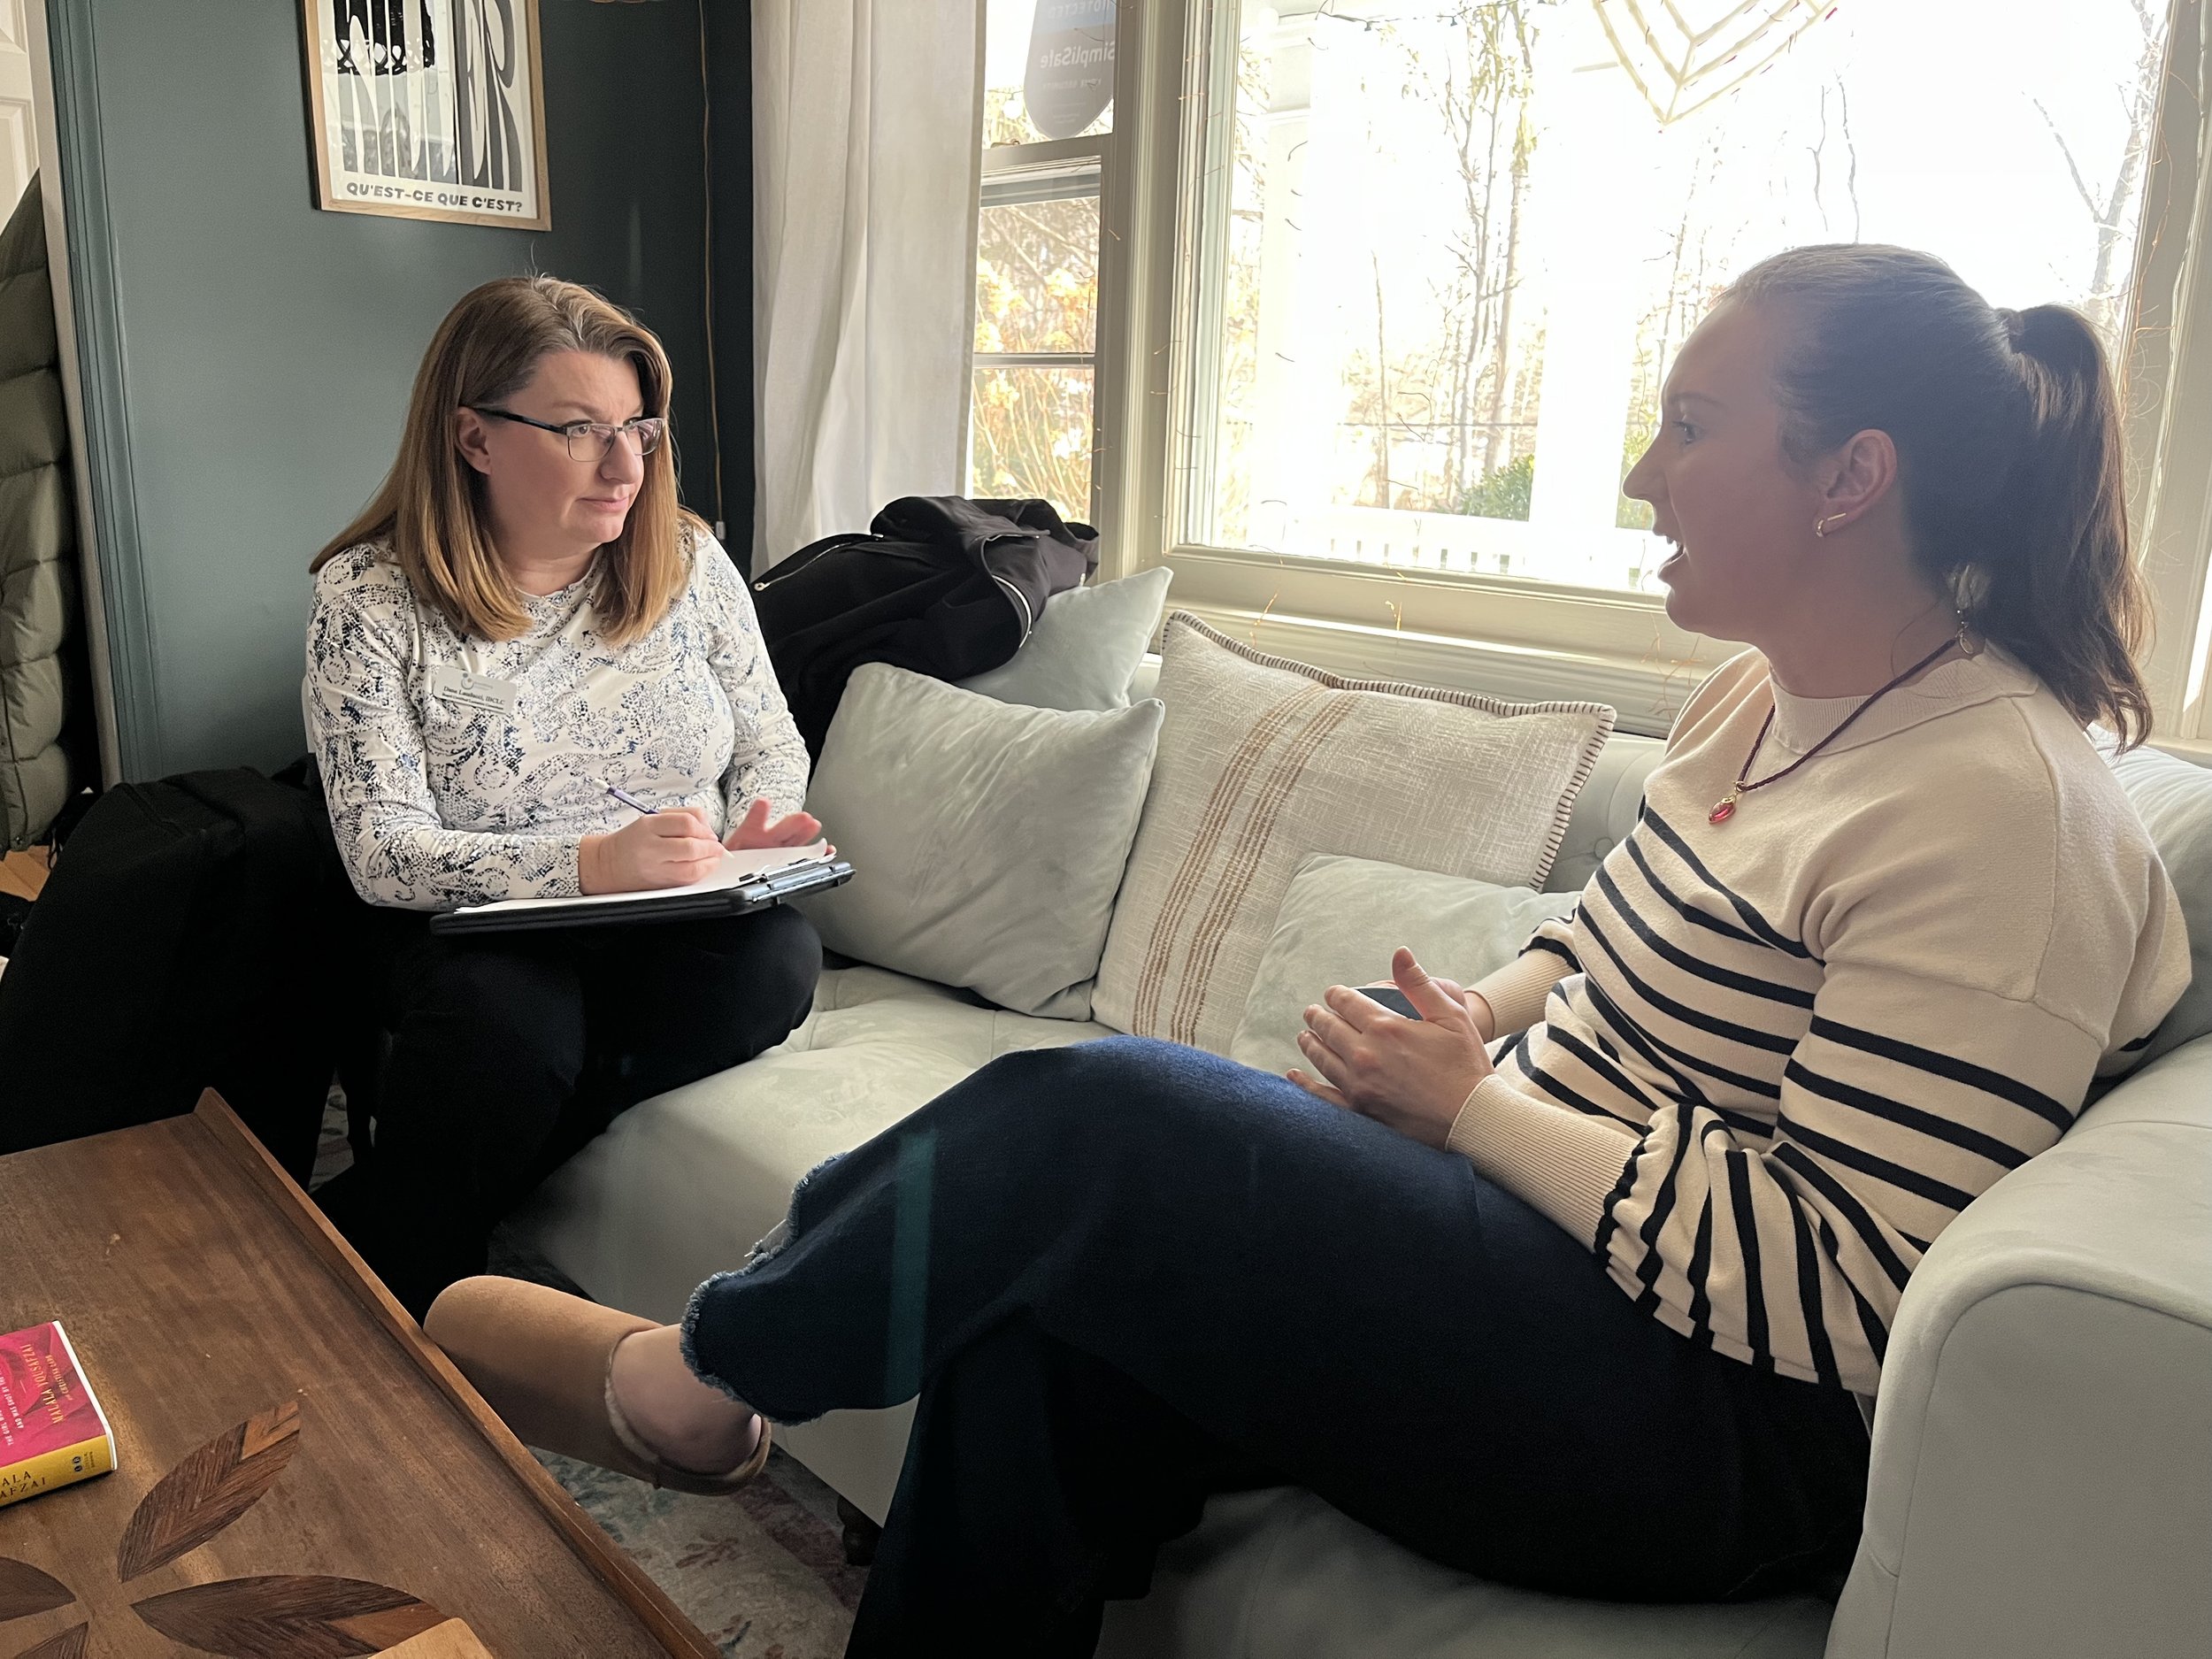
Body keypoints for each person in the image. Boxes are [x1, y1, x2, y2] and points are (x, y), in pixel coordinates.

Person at [426, 245, 2192, 1655]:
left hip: (1702, 1421)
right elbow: (1615, 929)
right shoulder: (1777, 693)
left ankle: (701, 1377)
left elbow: (1845, 1294)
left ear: (1849, 478)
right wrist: (1478, 1018)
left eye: (1691, 424)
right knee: (1041, 1318)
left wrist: (1474, 1113)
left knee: (1102, 1115)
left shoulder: (1995, 809)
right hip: (1549, 1254)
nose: (1640, 468)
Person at [305, 276, 825, 1318]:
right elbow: (381, 851)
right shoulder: (366, 599)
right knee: (510, 1033)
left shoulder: (686, 559)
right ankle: (407, 1284)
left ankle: (395, 1212)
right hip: (479, 925)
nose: (627, 464)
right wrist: (591, 862)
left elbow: (771, 743)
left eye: (639, 427)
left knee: (777, 963)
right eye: (580, 429)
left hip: (670, 908)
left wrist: (752, 828)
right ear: (474, 438)